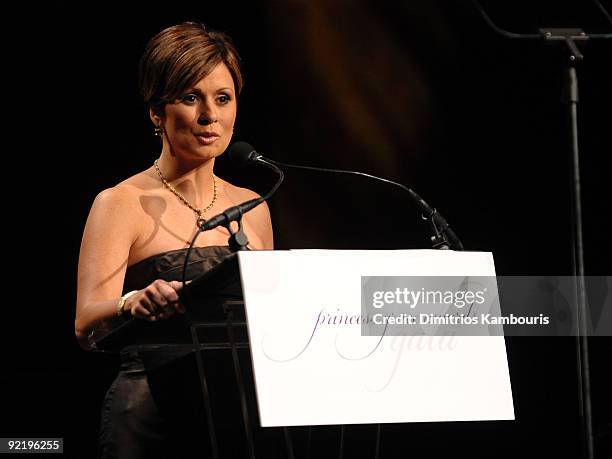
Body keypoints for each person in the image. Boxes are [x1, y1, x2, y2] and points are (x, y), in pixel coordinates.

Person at [74, 22, 273, 458]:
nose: (210, 116)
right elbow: (85, 323)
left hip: (236, 414)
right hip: (153, 415)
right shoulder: (121, 202)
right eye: (190, 98)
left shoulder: (254, 205)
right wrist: (133, 301)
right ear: (155, 111)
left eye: (223, 98)